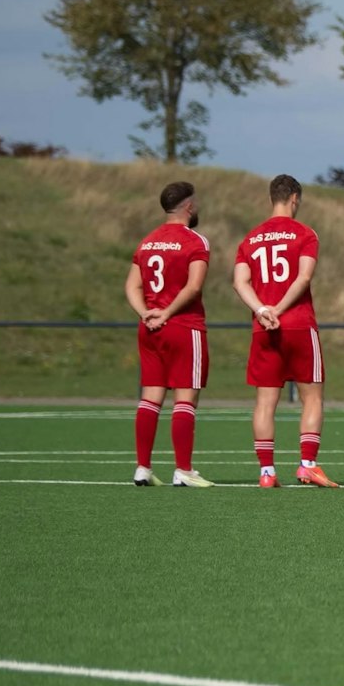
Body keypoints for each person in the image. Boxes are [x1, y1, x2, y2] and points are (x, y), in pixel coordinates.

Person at [233, 175, 334, 488]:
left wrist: (263, 310)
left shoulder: (250, 239)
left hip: (264, 329)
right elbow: (303, 278)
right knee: (313, 397)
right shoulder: (305, 234)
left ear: (271, 198)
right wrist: (279, 308)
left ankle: (266, 472)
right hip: (298, 324)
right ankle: (307, 465)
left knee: (265, 402)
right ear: (294, 199)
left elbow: (240, 282)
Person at [125, 181, 213, 487]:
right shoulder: (195, 241)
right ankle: (184, 469)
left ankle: (142, 468)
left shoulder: (147, 242)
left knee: (151, 397)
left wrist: (146, 312)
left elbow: (132, 286)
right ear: (188, 206)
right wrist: (168, 312)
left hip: (149, 329)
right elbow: (194, 286)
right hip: (182, 326)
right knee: (185, 399)